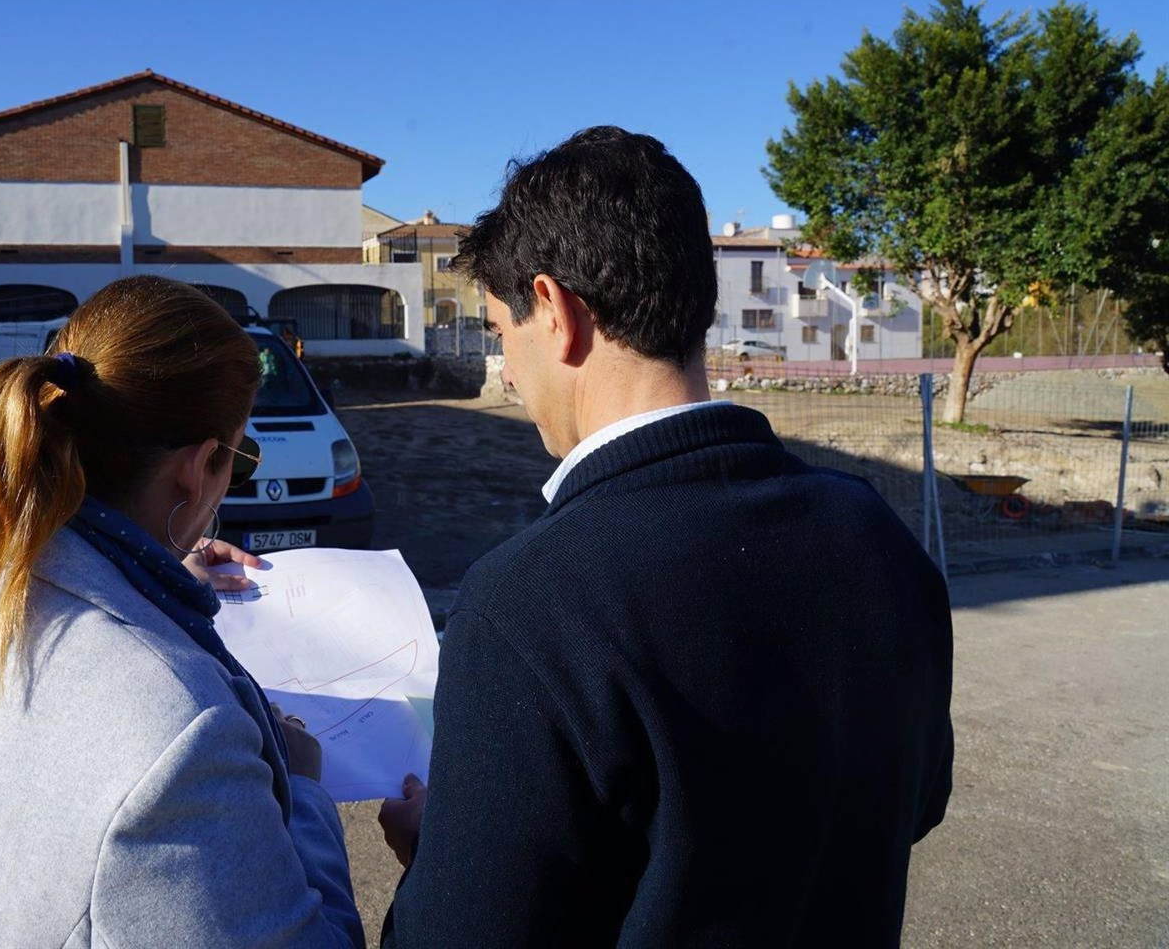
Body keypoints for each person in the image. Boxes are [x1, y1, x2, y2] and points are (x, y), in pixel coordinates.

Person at [377, 128, 953, 947]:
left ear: (556, 311)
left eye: (504, 333)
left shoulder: (530, 605)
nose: (506, 371)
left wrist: (442, 854)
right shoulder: (876, 535)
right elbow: (913, 804)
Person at [0, 276, 364, 948]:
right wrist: (306, 793)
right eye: (239, 460)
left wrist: (143, 587)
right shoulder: (179, 731)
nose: (234, 479)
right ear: (195, 470)